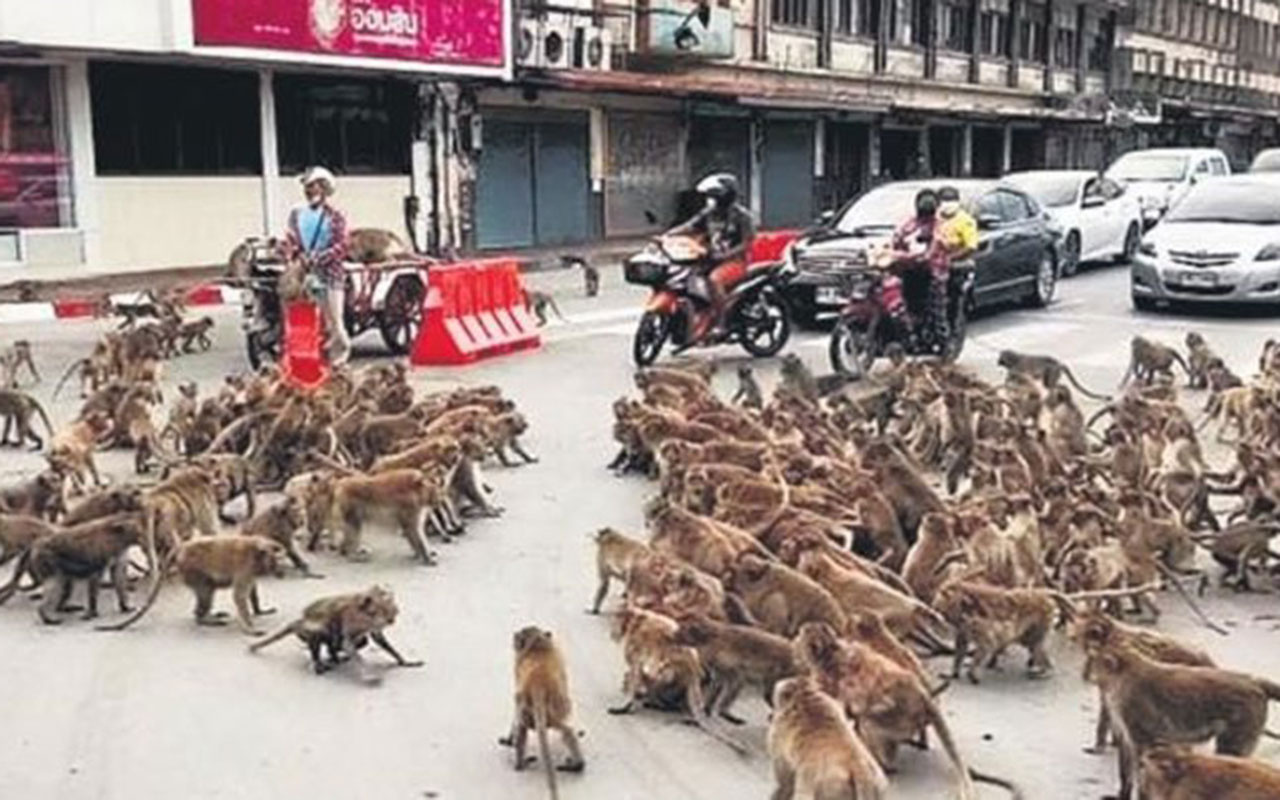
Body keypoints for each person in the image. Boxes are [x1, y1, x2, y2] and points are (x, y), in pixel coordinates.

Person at [669, 173, 756, 339]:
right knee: (684, 275)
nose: (710, 199)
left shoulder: (742, 216)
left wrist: (725, 255)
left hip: (735, 262)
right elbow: (690, 226)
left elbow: (747, 243)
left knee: (714, 280)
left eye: (714, 195)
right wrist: (669, 235)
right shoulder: (709, 213)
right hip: (710, 258)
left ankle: (721, 322)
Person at [283, 166, 350, 366]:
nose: (308, 190)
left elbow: (343, 245)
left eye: (312, 186)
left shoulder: (335, 215)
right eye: (306, 186)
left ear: (324, 188)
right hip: (304, 274)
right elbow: (291, 239)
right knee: (303, 318)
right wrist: (291, 252)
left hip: (330, 274)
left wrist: (319, 258)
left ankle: (339, 360)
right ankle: (310, 356)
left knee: (334, 322)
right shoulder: (297, 214)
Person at [881, 188, 940, 342]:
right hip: (907, 265)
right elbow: (898, 236)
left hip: (928, 269)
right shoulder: (910, 223)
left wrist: (926, 255)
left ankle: (919, 326)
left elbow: (937, 244)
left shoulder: (938, 225)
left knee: (921, 293)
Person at [928, 185, 978, 343]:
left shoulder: (965, 221)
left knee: (952, 297)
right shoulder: (933, 218)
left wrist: (951, 258)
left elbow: (971, 246)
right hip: (932, 263)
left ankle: (951, 332)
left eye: (951, 200)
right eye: (944, 200)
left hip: (957, 265)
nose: (948, 204)